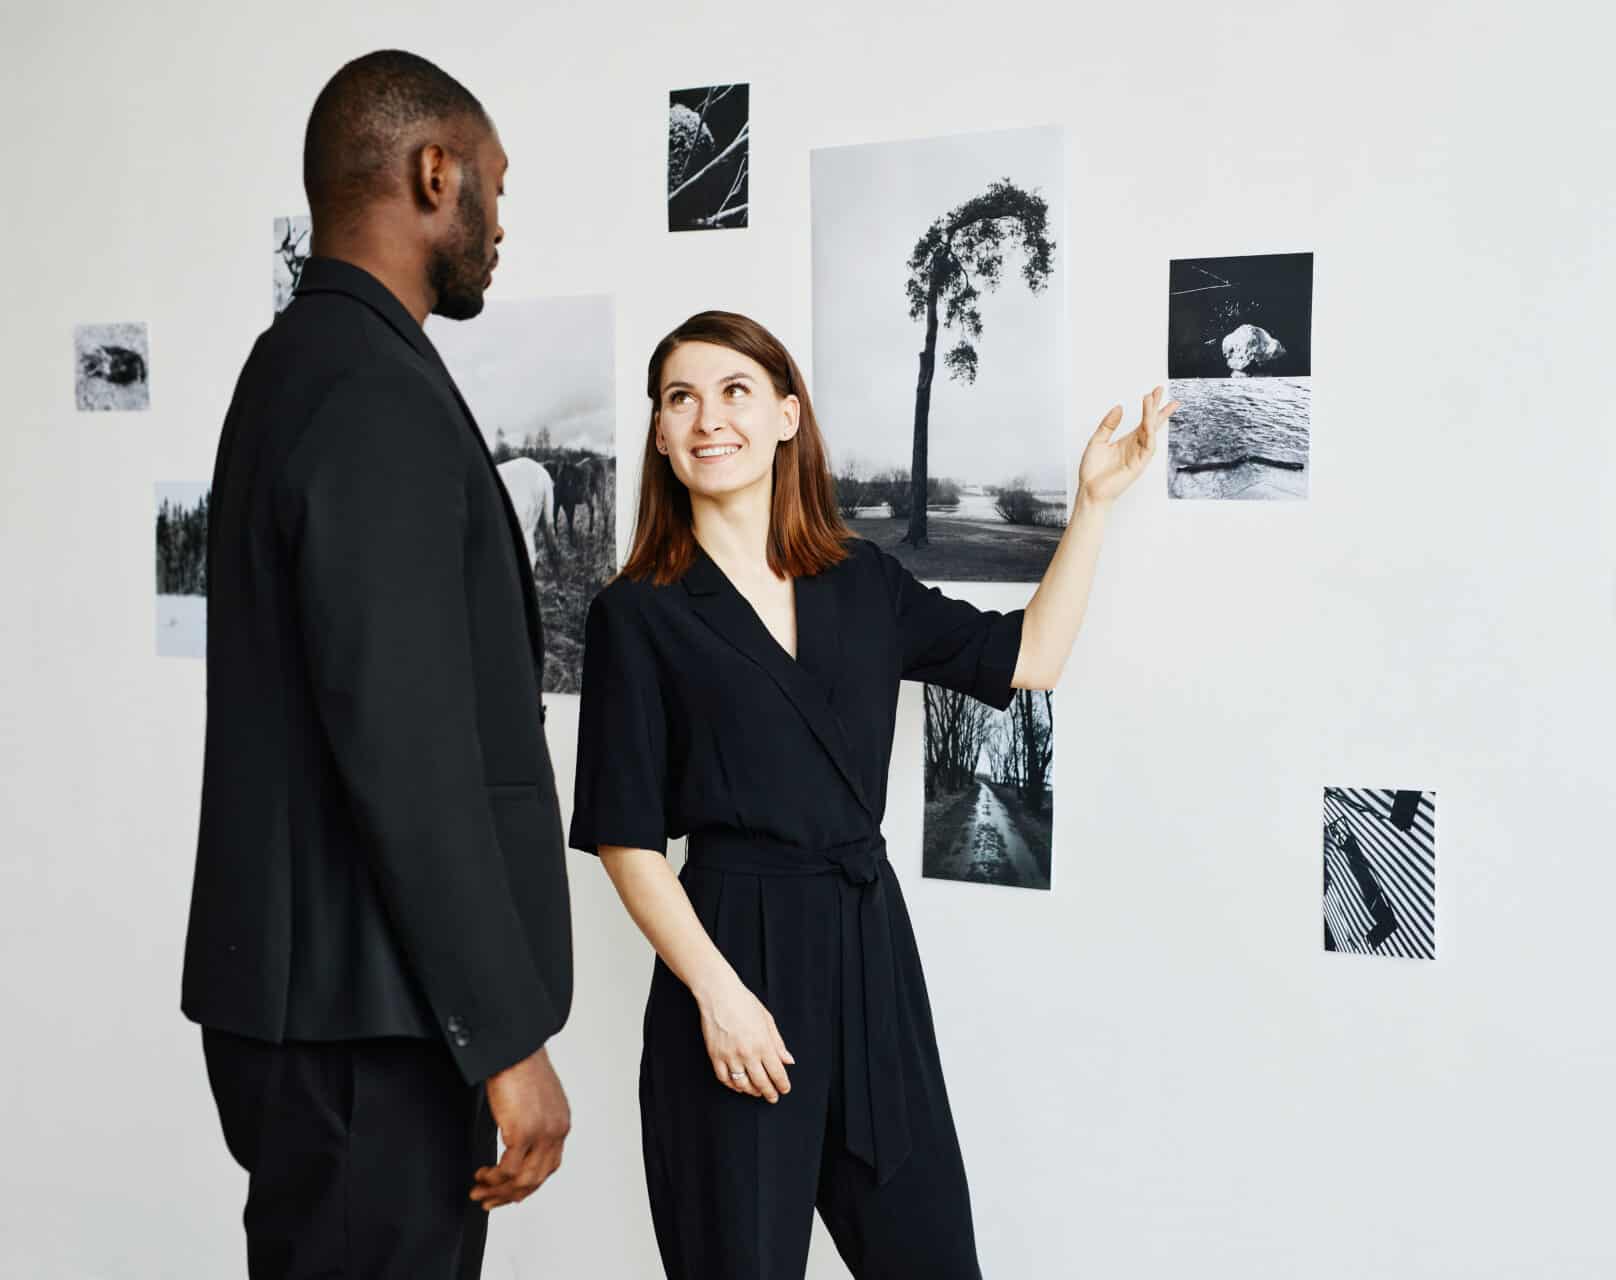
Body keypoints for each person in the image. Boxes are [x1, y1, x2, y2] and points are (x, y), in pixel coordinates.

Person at [569, 310, 1174, 1277]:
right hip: (731, 955)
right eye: (680, 398)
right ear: (658, 431)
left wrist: (1093, 506)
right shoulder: (637, 611)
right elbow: (627, 841)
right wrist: (721, 1000)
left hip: (869, 953)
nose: (707, 418)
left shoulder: (861, 580)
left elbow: (1030, 657)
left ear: (784, 416)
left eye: (735, 391)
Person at [182, 50, 571, 1278]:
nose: (501, 225)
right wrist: (504, 1037)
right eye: (495, 191)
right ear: (433, 170)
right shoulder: (367, 388)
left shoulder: (300, 363)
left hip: (331, 1009)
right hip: (372, 1027)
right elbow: (404, 743)